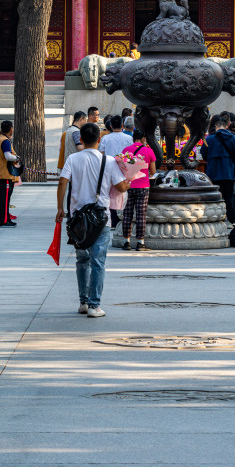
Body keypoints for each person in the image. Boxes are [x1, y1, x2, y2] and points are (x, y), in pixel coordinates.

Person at [57, 123, 130, 317]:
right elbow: (121, 188)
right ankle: (94, 305)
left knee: (82, 260)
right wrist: (129, 180)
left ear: (80, 139)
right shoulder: (109, 161)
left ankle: (83, 302)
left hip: (78, 218)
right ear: (99, 139)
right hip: (100, 218)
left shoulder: (73, 159)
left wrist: (60, 208)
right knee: (98, 261)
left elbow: (63, 181)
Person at [201, 114, 235, 224]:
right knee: (230, 197)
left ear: (215, 126)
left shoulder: (209, 139)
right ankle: (234, 221)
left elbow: (203, 155)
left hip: (213, 172)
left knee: (214, 197)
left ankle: (215, 218)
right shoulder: (234, 138)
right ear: (226, 126)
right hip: (228, 172)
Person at [121, 128, 156, 251]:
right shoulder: (148, 151)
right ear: (144, 139)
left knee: (127, 215)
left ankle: (126, 242)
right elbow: (153, 171)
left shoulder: (126, 150)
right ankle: (140, 243)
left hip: (128, 186)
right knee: (141, 215)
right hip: (143, 187)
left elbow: (123, 168)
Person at [99, 114, 134, 228]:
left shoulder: (106, 138)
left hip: (109, 167)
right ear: (122, 125)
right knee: (124, 193)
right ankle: (124, 219)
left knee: (110, 194)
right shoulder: (129, 138)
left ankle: (113, 220)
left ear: (110, 125)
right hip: (125, 169)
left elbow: (101, 153)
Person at [0, 121, 20, 227]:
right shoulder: (5, 141)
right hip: (5, 174)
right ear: (11, 129)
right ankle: (4, 220)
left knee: (2, 197)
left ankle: (5, 218)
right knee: (5, 198)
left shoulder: (0, 138)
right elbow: (8, 156)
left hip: (0, 173)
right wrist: (17, 158)